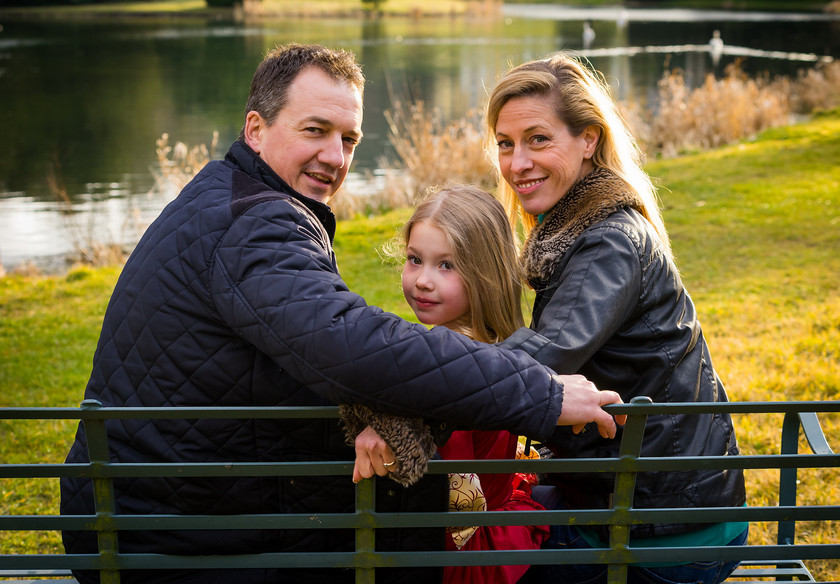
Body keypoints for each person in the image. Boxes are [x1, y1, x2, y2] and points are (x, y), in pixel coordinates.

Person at [59, 43, 623, 584]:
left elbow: (329, 340)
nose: (335, 156)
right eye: (315, 130)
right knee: (404, 503)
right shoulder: (254, 224)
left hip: (160, 513)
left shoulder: (228, 198)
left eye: (349, 139)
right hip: (179, 542)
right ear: (255, 129)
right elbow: (348, 341)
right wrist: (541, 394)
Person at [485, 52, 748, 584]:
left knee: (456, 548)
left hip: (665, 534)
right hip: (656, 504)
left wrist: (412, 391)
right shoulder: (579, 226)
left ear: (588, 140)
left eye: (538, 139)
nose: (517, 163)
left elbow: (540, 359)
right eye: (505, 144)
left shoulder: (608, 241)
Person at [341, 184, 550, 584]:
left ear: (486, 274)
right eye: (415, 260)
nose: (421, 280)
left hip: (460, 548)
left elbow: (448, 473)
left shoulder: (458, 363)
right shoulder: (489, 347)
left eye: (446, 266)